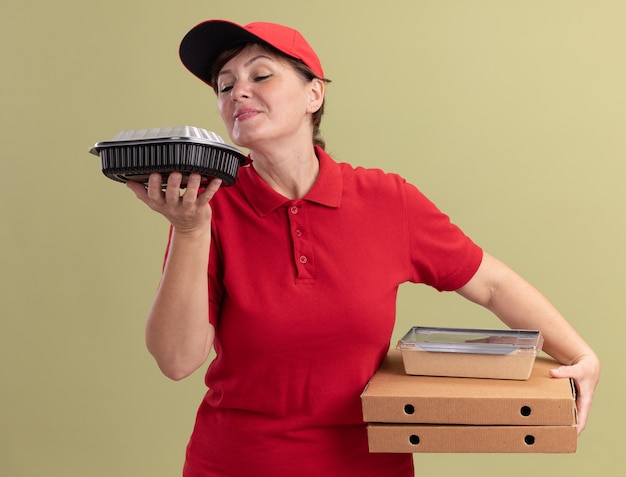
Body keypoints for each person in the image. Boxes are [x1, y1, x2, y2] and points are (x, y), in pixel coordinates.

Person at [127, 19, 600, 477]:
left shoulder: (386, 199)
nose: (237, 93)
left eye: (261, 75)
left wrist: (580, 355)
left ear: (314, 94)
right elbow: (177, 360)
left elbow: (492, 285)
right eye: (224, 86)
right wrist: (190, 232)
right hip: (234, 464)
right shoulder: (209, 207)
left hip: (369, 465)